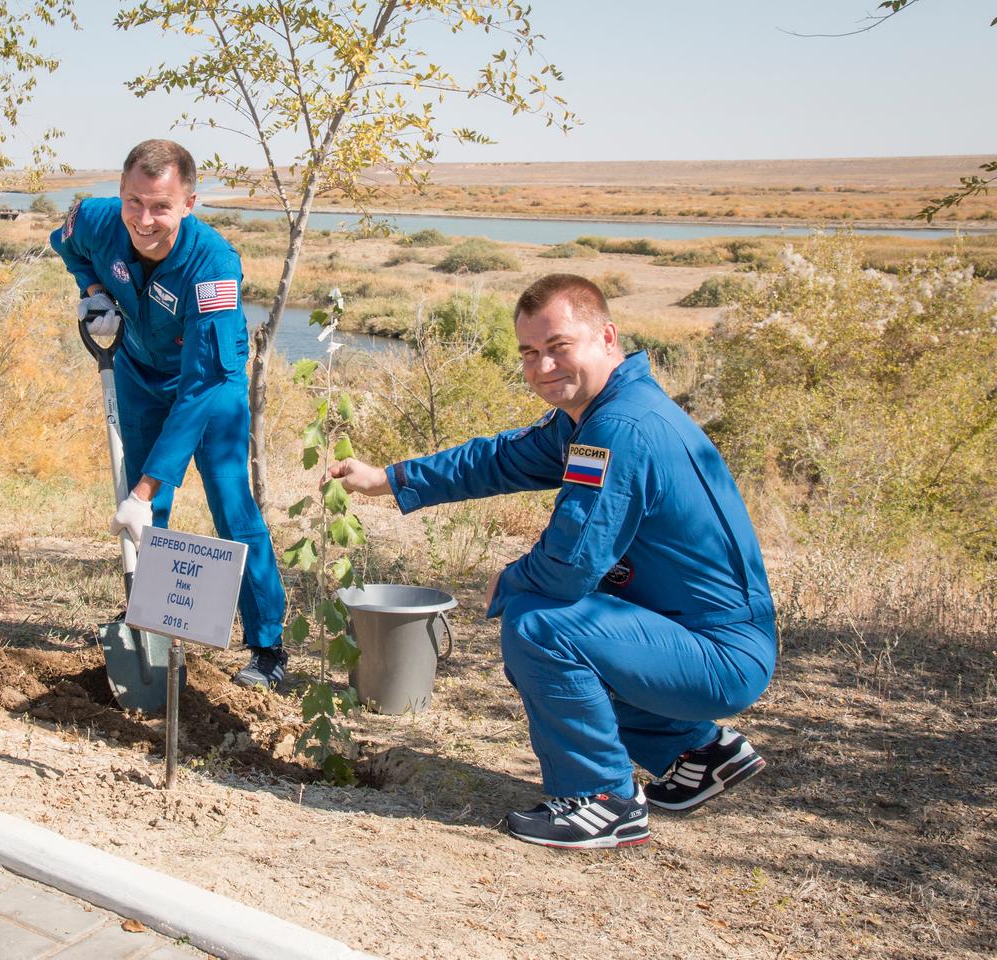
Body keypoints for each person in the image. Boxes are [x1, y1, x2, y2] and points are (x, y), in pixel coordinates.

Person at [330, 274, 776, 849]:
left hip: (718, 655)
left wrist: (510, 581)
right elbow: (495, 459)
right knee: (559, 623)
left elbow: (569, 566)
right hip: (698, 638)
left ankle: (602, 798)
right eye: (530, 353)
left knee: (539, 623)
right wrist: (388, 479)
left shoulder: (617, 428)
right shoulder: (597, 412)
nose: (542, 368)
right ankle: (694, 750)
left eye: (559, 347)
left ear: (607, 337)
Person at [50, 139, 288, 689]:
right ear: (121, 194)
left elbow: (203, 381)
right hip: (137, 372)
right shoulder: (96, 218)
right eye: (135, 202)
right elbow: (65, 245)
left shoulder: (213, 266)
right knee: (147, 513)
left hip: (208, 385)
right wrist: (91, 289)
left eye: (161, 206)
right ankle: (153, 625)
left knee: (230, 506)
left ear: (189, 203)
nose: (145, 218)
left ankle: (268, 646)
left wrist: (144, 490)